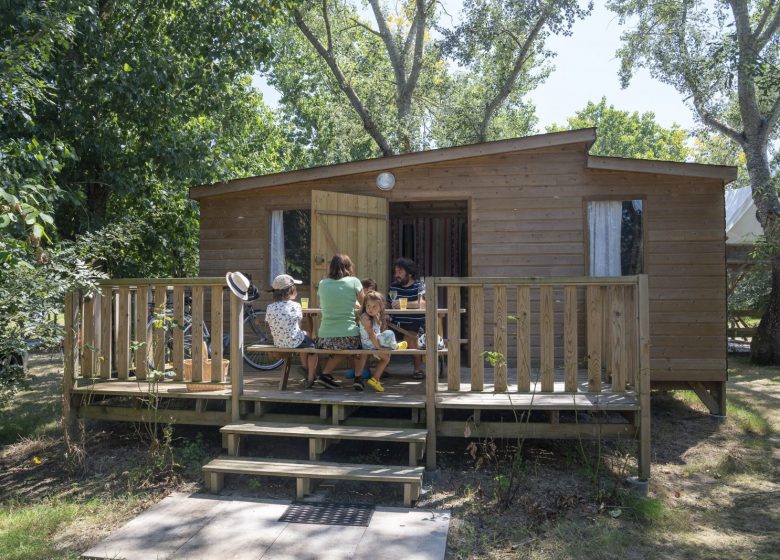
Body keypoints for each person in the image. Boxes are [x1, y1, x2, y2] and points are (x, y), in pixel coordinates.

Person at [316, 254, 365, 388]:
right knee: (362, 346)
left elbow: (324, 304)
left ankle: (325, 375)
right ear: (348, 267)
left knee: (340, 347)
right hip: (347, 335)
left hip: (324, 338)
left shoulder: (322, 283)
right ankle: (358, 378)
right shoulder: (354, 281)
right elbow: (365, 305)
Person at [264, 274, 319, 388]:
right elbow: (297, 326)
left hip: (278, 343)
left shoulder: (270, 307)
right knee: (312, 348)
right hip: (293, 341)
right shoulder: (296, 305)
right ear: (290, 291)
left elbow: (269, 323)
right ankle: (310, 378)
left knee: (305, 336)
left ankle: (304, 367)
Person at [354, 290, 407, 392]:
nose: (370, 309)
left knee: (386, 356)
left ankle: (375, 379)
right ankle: (394, 346)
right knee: (389, 334)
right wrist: (378, 347)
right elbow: (370, 333)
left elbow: (376, 333)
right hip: (370, 344)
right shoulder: (365, 317)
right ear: (365, 305)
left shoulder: (375, 316)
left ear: (380, 307)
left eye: (374, 307)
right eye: (368, 306)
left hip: (373, 342)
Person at [388, 257, 426, 379]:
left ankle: (417, 369)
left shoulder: (419, 286)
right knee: (379, 333)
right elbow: (389, 304)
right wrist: (386, 313)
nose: (396, 275)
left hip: (413, 324)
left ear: (409, 273)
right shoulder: (394, 287)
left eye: (400, 272)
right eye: (395, 272)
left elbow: (424, 303)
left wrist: (405, 304)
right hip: (394, 324)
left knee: (410, 337)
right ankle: (382, 369)